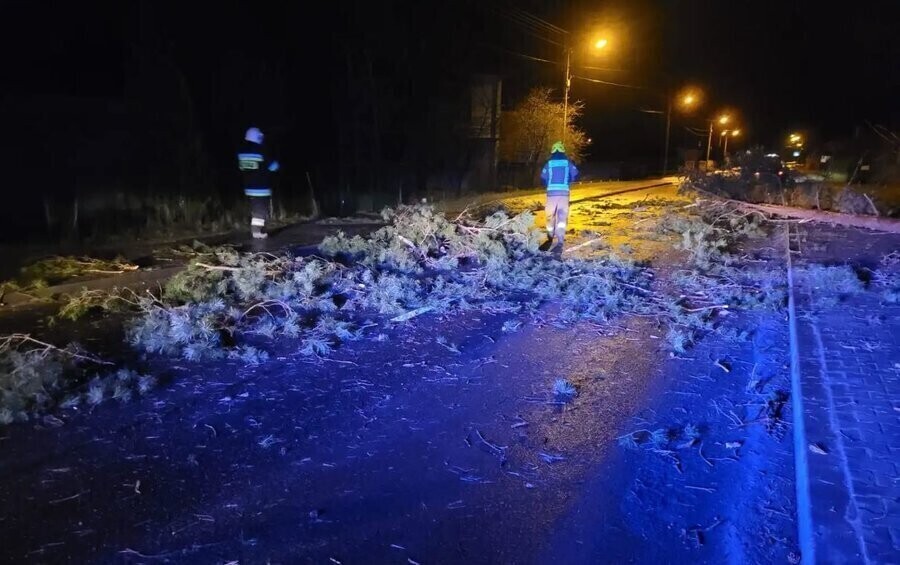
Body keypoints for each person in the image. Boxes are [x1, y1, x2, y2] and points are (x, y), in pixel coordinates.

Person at [237, 127, 279, 239]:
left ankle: (259, 229)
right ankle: (257, 232)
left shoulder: (242, 152)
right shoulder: (261, 150)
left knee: (255, 209)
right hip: (261, 188)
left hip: (248, 187)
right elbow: (273, 167)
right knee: (260, 211)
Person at [540, 141, 578, 253]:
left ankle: (550, 236)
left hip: (551, 194)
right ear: (562, 150)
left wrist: (548, 184)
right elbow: (575, 174)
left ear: (553, 151)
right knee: (562, 218)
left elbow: (543, 177)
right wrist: (568, 181)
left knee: (549, 216)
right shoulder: (567, 163)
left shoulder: (549, 163)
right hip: (564, 194)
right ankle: (560, 240)